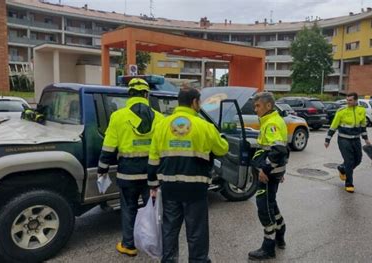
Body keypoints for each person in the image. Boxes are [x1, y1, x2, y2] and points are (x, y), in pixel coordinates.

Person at [148, 87, 229, 263]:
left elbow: (153, 158)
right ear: (194, 102)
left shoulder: (161, 125)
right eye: (199, 102)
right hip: (195, 188)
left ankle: (169, 260)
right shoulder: (204, 126)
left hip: (169, 187)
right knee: (196, 231)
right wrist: (221, 138)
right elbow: (222, 149)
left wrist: (153, 184)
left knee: (169, 229)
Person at [97, 77, 164, 256]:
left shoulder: (118, 117)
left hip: (127, 174)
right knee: (153, 209)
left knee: (129, 208)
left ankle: (129, 245)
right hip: (152, 175)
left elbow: (108, 147)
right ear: (146, 94)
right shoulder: (159, 118)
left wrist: (102, 170)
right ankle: (155, 243)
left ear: (130, 95)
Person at [248, 92, 289, 261]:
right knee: (271, 202)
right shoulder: (273, 120)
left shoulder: (272, 123)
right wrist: (279, 169)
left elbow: (278, 150)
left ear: (268, 106)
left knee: (264, 208)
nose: (255, 109)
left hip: (268, 175)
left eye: (257, 106)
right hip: (274, 172)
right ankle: (280, 234)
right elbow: (280, 150)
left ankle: (268, 247)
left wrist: (266, 169)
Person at [325, 92, 372, 193]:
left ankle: (342, 168)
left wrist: (366, 139)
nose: (348, 102)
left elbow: (363, 126)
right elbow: (333, 126)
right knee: (349, 161)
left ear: (356, 100)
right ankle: (349, 184)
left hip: (356, 139)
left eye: (350, 100)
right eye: (347, 100)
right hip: (343, 140)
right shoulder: (342, 111)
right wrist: (327, 140)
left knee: (358, 160)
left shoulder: (361, 111)